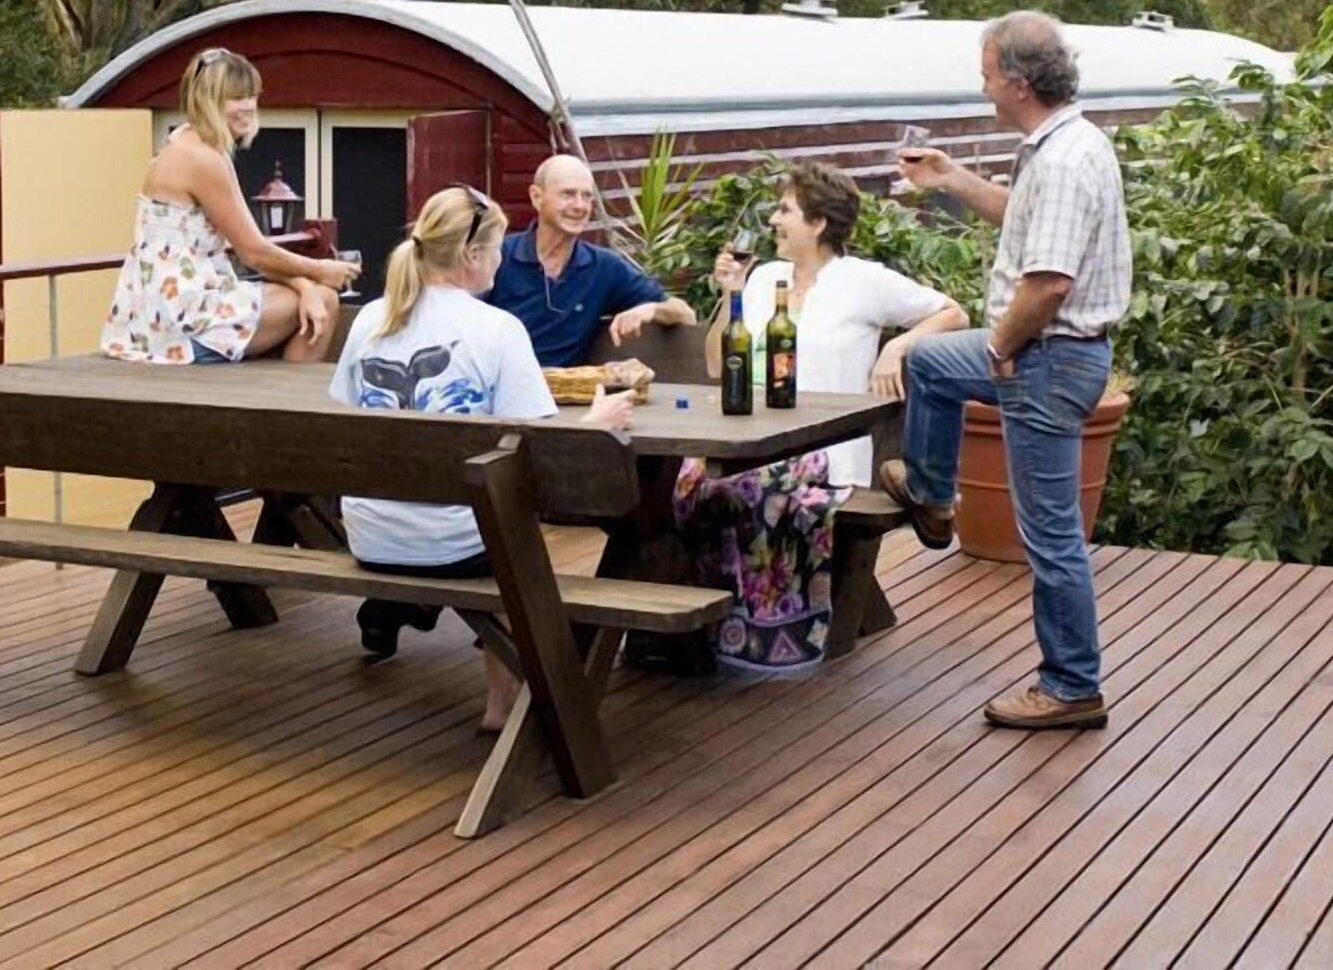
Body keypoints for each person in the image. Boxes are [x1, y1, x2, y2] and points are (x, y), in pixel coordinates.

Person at [892, 10, 1132, 731]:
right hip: (1048, 352)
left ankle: (1070, 685)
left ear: (1019, 82)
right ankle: (932, 497)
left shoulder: (1060, 161)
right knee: (930, 359)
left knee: (1049, 532)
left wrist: (999, 346)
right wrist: (952, 178)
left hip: (1044, 357)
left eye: (988, 73)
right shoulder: (1064, 143)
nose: (984, 85)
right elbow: (1023, 218)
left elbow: (1049, 282)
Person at [329, 184, 634, 731]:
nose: (501, 257)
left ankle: (502, 694)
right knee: (506, 523)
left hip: (372, 536)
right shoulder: (497, 330)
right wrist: (596, 424)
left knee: (489, 510)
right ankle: (504, 701)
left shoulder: (371, 320)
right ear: (471, 256)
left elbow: (343, 421)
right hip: (454, 544)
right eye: (495, 248)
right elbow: (539, 455)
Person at [673, 162, 967, 672]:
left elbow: (953, 313)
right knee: (689, 483)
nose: (773, 222)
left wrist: (897, 347)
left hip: (828, 453)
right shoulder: (765, 278)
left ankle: (764, 637)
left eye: (785, 210)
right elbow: (720, 365)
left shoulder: (861, 281)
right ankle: (708, 628)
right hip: (755, 439)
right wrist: (732, 295)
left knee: (752, 490)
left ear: (818, 223)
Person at [101, 48, 356, 364]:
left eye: (252, 96)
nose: (248, 106)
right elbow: (254, 252)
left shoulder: (185, 143)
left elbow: (250, 250)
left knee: (310, 296)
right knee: (326, 300)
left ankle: (273, 394)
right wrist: (321, 271)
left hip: (156, 316)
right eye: (236, 97)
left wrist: (303, 285)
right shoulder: (202, 160)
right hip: (181, 324)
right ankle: (288, 407)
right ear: (208, 101)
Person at [485, 153, 698, 367]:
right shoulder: (497, 256)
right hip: (495, 390)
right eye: (568, 194)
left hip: (567, 394)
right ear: (536, 197)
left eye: (587, 196)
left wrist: (652, 309)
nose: (580, 206)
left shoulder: (604, 267)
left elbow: (685, 315)